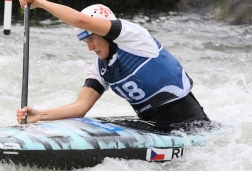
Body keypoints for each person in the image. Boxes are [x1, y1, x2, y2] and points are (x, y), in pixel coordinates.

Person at [16, 0, 210, 132]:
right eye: (86, 42)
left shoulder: (134, 38)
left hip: (189, 123)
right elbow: (80, 107)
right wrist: (40, 115)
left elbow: (80, 20)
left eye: (92, 38)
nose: (90, 47)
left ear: (106, 31)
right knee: (91, 124)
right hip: (153, 126)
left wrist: (40, 2)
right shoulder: (100, 68)